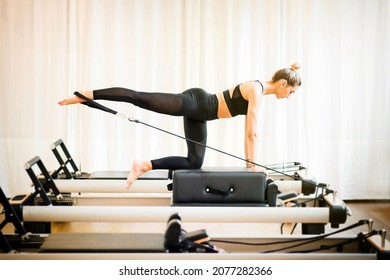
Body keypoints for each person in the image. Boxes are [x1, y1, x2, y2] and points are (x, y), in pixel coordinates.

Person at [59, 63, 301, 189]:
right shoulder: (256, 91)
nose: (289, 96)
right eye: (290, 91)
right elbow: (252, 133)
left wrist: (251, 167)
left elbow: (251, 133)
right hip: (195, 102)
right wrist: (252, 168)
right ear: (281, 83)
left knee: (194, 163)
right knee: (139, 97)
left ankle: (144, 165)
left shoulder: (259, 91)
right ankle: (83, 95)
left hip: (201, 113)